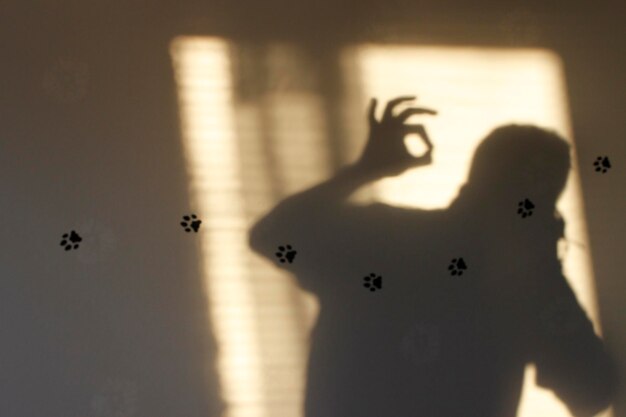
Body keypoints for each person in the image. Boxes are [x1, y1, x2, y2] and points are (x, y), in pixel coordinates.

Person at [248, 96, 617, 417]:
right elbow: (591, 393)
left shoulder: (382, 238)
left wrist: (364, 171)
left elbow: (272, 236)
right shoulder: (525, 285)